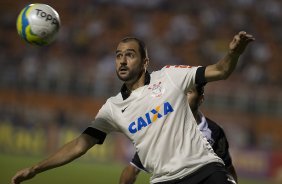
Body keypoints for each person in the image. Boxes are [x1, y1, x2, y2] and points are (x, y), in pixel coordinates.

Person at [11, 31, 254, 184]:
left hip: (204, 169)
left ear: (145, 61)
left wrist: (233, 54)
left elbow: (220, 70)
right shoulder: (112, 108)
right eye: (118, 56)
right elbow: (78, 145)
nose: (122, 60)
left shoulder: (170, 76)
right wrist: (36, 168)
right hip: (164, 180)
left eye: (130, 55)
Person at [119, 85, 238, 184]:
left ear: (201, 98)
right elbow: (133, 168)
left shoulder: (214, 131)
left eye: (189, 92)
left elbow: (227, 168)